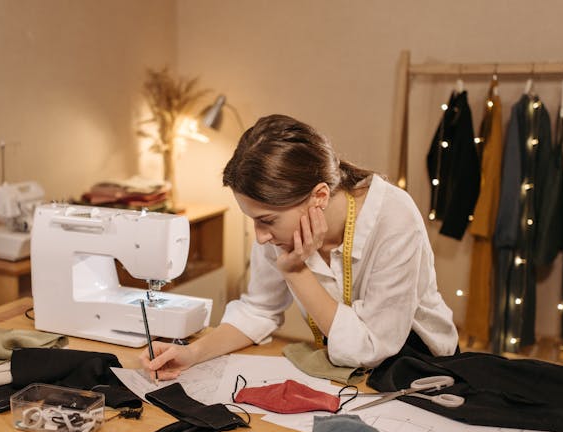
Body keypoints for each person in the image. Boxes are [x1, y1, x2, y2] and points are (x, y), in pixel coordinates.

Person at [141, 114, 458, 380]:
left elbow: (370, 348)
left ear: (319, 196)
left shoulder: (394, 216)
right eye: (254, 221)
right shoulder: (279, 228)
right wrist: (192, 353)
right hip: (347, 371)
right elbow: (258, 309)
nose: (261, 237)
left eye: (266, 221)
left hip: (422, 367)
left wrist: (296, 272)